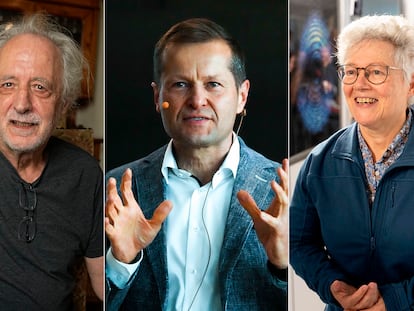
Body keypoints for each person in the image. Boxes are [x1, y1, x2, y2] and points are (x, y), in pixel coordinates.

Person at [105, 18, 288, 310]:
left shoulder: (283, 193)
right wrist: (121, 263)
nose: (197, 100)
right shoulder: (116, 191)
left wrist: (283, 266)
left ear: (242, 96)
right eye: (180, 85)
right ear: (157, 97)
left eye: (213, 84)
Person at [290, 14, 414, 311]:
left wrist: (394, 301)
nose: (359, 84)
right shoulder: (320, 162)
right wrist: (334, 286)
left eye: (375, 72)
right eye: (351, 71)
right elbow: (299, 243)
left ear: (411, 84)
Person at [0, 13, 103, 309]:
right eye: (8, 84)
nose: (21, 104)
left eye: (40, 87)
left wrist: (130, 258)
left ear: (62, 105)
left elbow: (105, 287)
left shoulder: (85, 175)